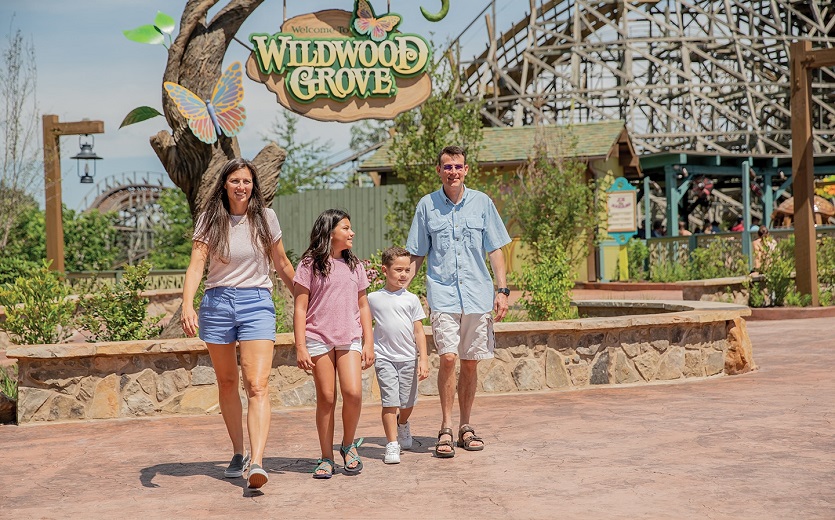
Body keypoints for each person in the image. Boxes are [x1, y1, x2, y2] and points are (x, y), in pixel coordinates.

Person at [181, 158, 295, 490]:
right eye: (235, 181)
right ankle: (237, 452)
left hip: (256, 303)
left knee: (256, 384)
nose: (241, 187)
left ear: (253, 185)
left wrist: (305, 298)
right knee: (228, 382)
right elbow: (196, 265)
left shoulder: (265, 217)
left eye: (246, 181)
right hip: (217, 304)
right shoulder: (209, 219)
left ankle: (257, 461)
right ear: (225, 185)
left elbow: (282, 263)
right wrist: (187, 304)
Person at [406, 145, 511, 458]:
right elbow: (417, 253)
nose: (453, 172)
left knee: (469, 362)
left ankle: (465, 425)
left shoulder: (482, 203)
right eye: (447, 167)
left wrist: (502, 290)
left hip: (478, 295)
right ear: (439, 171)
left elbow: (495, 249)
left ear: (466, 170)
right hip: (443, 293)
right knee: (448, 358)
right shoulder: (427, 206)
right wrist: (398, 291)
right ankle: (446, 425)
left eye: (458, 166)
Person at [293, 209, 374, 478]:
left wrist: (368, 342)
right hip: (318, 338)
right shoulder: (309, 265)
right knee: (326, 398)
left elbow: (363, 305)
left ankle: (348, 445)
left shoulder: (355, 265)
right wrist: (301, 345)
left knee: (353, 393)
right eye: (346, 228)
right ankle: (326, 457)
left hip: (349, 337)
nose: (352, 233)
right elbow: (300, 307)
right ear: (330, 232)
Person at [367, 246, 429, 464]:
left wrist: (423, 358)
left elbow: (419, 331)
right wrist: (367, 348)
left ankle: (403, 424)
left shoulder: (411, 299)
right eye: (398, 270)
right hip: (384, 357)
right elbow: (364, 325)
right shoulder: (373, 298)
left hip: (408, 358)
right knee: (389, 402)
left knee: (407, 403)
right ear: (385, 270)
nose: (403, 274)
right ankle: (392, 444)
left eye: (406, 270)